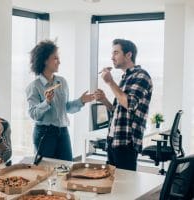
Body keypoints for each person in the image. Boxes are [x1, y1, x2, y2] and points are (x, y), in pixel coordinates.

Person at [26, 40, 95, 161]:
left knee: (67, 167)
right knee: (47, 169)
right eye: (55, 58)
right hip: (45, 133)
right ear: (45, 60)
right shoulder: (34, 86)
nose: (59, 62)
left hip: (63, 132)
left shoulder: (62, 82)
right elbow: (34, 114)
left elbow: (66, 108)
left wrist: (81, 101)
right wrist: (46, 102)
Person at [94, 39, 153, 171]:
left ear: (128, 55)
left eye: (116, 53)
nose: (112, 57)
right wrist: (104, 100)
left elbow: (130, 104)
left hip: (127, 141)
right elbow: (118, 111)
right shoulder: (125, 78)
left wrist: (110, 82)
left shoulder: (142, 76)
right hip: (113, 138)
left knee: (126, 186)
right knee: (112, 183)